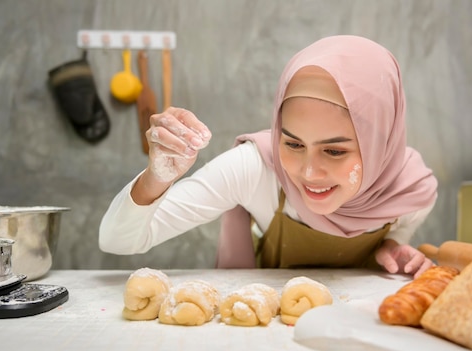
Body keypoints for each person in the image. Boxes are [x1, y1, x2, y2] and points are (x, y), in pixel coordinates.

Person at [99, 35, 438, 277]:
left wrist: (390, 247)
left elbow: (393, 240)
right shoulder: (255, 169)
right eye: (292, 144)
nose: (308, 171)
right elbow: (118, 240)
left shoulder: (412, 194)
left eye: (334, 150)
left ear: (384, 142)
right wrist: (157, 177)